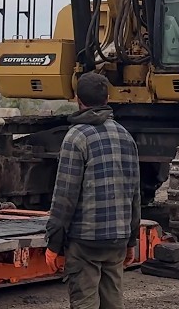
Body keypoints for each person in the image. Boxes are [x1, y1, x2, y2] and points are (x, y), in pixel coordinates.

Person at [45, 72, 141, 309]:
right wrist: (131, 239)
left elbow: (64, 197)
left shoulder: (76, 137)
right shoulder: (125, 136)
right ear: (108, 97)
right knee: (113, 301)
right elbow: (134, 194)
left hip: (85, 240)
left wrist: (53, 244)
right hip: (117, 238)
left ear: (78, 99)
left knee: (85, 302)